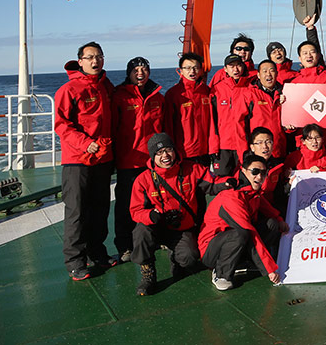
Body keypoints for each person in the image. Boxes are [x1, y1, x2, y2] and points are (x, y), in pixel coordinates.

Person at [129, 133, 224, 296]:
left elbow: (213, 183)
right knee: (141, 231)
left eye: (168, 150)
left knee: (190, 258)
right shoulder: (143, 180)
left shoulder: (191, 169)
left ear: (175, 151)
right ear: (152, 157)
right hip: (157, 227)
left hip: (181, 228)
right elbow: (135, 211)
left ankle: (176, 257)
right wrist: (151, 215)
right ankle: (148, 274)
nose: (165, 155)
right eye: (159, 153)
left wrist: (232, 181)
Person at [55, 42, 117, 280]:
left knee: (100, 209)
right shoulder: (69, 90)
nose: (95, 61)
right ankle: (75, 261)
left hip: (103, 159)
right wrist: (84, 143)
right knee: (77, 212)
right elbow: (61, 125)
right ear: (80, 61)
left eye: (99, 56)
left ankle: (97, 252)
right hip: (77, 160)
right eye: (90, 57)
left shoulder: (106, 86)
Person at [198, 153, 288, 290]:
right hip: (211, 250)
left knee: (272, 223)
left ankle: (243, 262)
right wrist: (269, 268)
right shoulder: (232, 197)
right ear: (244, 171)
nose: (259, 176)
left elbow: (267, 208)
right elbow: (250, 232)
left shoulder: (251, 192)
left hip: (234, 240)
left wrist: (280, 220)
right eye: (255, 172)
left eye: (263, 173)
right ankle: (221, 273)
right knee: (241, 233)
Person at [112, 56, 165, 263]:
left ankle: (156, 237)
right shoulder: (119, 97)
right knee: (126, 205)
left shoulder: (158, 98)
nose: (140, 73)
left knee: (155, 199)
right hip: (128, 160)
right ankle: (125, 245)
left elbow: (163, 129)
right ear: (129, 73)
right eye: (136, 70)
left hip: (152, 161)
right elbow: (113, 127)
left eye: (144, 69)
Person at [288, 39, 326, 157]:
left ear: (318, 56)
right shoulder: (294, 83)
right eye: (305, 53)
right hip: (305, 140)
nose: (309, 55)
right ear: (299, 58)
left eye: (312, 52)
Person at [164, 53, 216, 167]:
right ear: (180, 71)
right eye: (187, 68)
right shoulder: (173, 94)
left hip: (205, 150)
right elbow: (168, 125)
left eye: (195, 68)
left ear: (201, 70)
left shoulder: (207, 92)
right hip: (184, 151)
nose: (192, 71)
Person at [210, 54, 250, 177]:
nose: (235, 69)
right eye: (231, 66)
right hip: (223, 145)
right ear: (225, 69)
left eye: (238, 65)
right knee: (223, 180)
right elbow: (212, 120)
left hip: (244, 143)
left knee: (244, 179)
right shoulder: (217, 90)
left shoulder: (249, 88)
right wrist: (213, 146)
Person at [243, 60, 287, 160]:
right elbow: (241, 123)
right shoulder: (250, 94)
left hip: (279, 147)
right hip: (259, 150)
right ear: (258, 75)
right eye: (265, 71)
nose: (268, 74)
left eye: (272, 71)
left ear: (277, 73)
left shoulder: (284, 92)